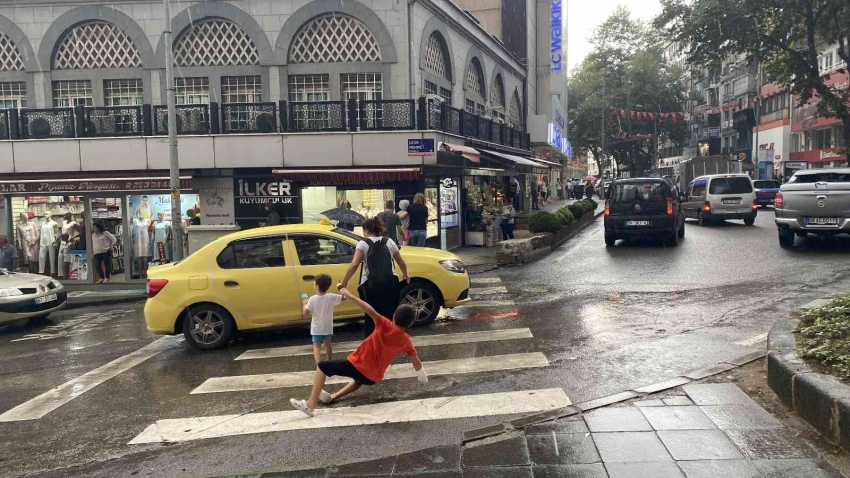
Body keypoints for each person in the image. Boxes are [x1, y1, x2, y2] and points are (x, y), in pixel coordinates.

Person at [289, 291, 427, 417]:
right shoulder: (406, 340)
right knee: (359, 381)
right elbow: (416, 362)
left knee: (322, 366)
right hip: (373, 378)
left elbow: (368, 309)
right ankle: (332, 397)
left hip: (357, 366)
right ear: (410, 324)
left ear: (394, 316)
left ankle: (310, 404)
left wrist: (349, 295)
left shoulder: (385, 324)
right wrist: (422, 377)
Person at [340, 217, 410, 338]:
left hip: (370, 286)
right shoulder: (389, 241)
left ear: (366, 230)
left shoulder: (363, 243)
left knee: (371, 315)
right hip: (391, 283)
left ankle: (372, 342)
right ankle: (389, 340)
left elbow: (354, 265)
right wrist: (405, 274)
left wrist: (344, 282)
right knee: (389, 314)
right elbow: (401, 262)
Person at [303, 273, 345, 365]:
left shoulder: (312, 299)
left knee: (316, 347)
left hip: (317, 329)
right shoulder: (331, 297)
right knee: (328, 344)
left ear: (317, 286)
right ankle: (329, 361)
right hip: (327, 327)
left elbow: (305, 313)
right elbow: (344, 297)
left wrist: (304, 304)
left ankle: (319, 365)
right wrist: (342, 287)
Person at [39, 212, 59, 277]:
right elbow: (40, 232)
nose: (45, 215)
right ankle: (41, 271)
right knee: (41, 256)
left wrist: (55, 241)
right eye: (44, 214)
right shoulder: (42, 224)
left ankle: (52, 272)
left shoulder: (54, 223)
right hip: (43, 242)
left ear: (51, 215)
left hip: (51, 241)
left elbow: (57, 233)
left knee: (52, 257)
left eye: (47, 214)